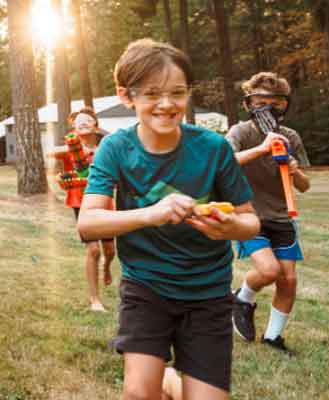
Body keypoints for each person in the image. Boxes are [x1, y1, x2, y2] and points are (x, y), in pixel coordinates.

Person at [78, 39, 260, 399]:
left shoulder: (213, 148)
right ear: (127, 96)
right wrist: (151, 214)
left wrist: (230, 228)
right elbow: (88, 223)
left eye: (177, 92)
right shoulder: (116, 148)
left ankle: (174, 381)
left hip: (207, 292)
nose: (166, 104)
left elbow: (250, 222)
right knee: (138, 393)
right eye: (152, 94)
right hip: (147, 287)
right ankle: (164, 378)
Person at [227, 72, 311, 356]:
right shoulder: (241, 132)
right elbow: (224, 164)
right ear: (250, 103)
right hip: (248, 214)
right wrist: (262, 149)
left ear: (284, 105)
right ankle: (243, 297)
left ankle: (273, 337)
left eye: (276, 101)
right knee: (269, 270)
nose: (269, 106)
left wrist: (292, 166)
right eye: (261, 100)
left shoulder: (291, 137)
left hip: (281, 216)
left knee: (288, 279)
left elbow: (305, 186)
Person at [48, 107, 115, 311]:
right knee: (93, 250)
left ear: (96, 126)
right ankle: (95, 300)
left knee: (110, 251)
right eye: (78, 121)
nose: (82, 123)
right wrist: (76, 150)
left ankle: (107, 266)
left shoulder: (106, 148)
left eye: (87, 120)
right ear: (74, 128)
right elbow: (51, 152)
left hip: (105, 203)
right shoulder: (71, 147)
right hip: (81, 203)